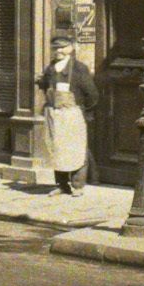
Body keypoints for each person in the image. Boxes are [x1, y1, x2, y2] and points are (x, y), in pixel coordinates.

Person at [37, 34, 98, 195]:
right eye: (55, 48)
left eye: (62, 47)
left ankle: (78, 185)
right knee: (57, 149)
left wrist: (84, 110)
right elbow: (44, 86)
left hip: (73, 114)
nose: (59, 51)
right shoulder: (50, 69)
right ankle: (62, 185)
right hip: (54, 114)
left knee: (76, 149)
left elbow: (92, 94)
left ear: (70, 48)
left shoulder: (79, 68)